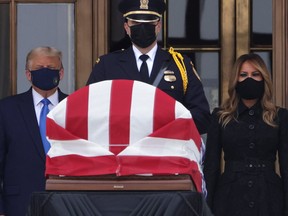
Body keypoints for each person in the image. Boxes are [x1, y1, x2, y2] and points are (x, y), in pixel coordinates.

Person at [86, 0, 211, 134]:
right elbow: (88, 112)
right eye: (136, 23)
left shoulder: (180, 65)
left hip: (167, 149)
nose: (142, 27)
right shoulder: (107, 65)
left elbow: (202, 117)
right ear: (126, 27)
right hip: (122, 150)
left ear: (158, 26)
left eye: (149, 23)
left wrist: (168, 124)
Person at [203, 53, 288, 216]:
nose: (250, 79)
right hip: (229, 197)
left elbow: (286, 165)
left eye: (255, 74)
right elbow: (211, 166)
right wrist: (206, 207)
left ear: (264, 79)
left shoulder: (280, 116)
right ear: (236, 80)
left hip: (269, 197)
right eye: (243, 75)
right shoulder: (221, 116)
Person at [0, 46, 68, 216]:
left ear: (61, 73)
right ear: (28, 74)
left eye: (51, 69)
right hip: (19, 203)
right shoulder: (7, 109)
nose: (45, 72)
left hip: (67, 202)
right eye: (38, 69)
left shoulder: (76, 107)